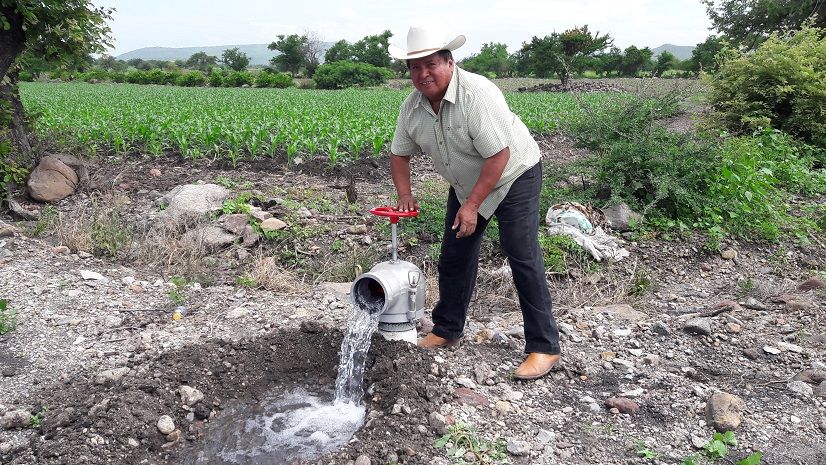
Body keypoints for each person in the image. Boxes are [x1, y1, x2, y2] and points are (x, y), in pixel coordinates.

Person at [387, 25, 562, 380]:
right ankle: (447, 329)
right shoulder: (413, 107)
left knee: (520, 251)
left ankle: (545, 347)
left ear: (449, 62)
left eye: (431, 64)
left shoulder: (476, 95)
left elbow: (499, 155)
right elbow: (399, 153)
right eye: (415, 67)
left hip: (513, 173)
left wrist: (471, 207)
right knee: (455, 254)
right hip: (467, 181)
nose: (423, 74)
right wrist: (405, 194)